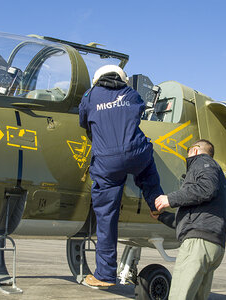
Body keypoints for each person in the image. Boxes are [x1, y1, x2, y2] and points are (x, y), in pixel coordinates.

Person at [79, 65, 163, 288]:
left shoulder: (89, 95)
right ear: (122, 78)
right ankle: (156, 203)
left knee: (107, 216)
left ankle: (105, 275)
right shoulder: (132, 94)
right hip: (136, 152)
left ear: (97, 79)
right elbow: (138, 114)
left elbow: (83, 121)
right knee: (147, 168)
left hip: (107, 160)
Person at [153, 139, 226, 300]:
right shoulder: (216, 172)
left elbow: (206, 189)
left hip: (198, 245)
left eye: (188, 151)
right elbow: (190, 220)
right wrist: (162, 217)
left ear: (195, 150)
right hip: (212, 244)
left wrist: (170, 199)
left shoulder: (203, 162)